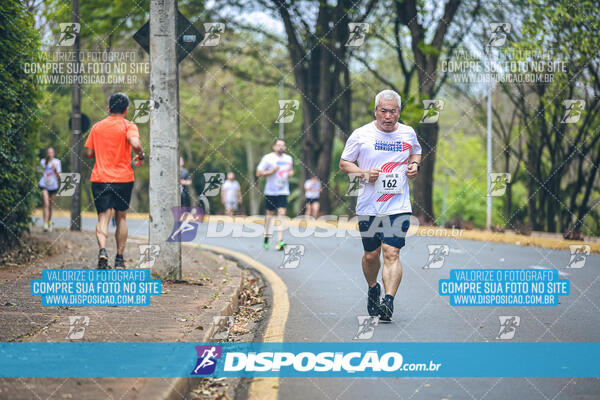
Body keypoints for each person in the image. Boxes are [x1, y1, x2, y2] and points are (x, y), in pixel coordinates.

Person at [339, 89, 422, 322]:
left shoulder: (408, 133)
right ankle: (373, 287)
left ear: (399, 112)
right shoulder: (361, 134)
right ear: (375, 111)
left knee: (391, 252)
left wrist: (415, 166)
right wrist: (364, 173)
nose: (388, 116)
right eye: (383, 111)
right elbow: (344, 164)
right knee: (371, 256)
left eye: (393, 111)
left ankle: (388, 301)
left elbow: (416, 152)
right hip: (368, 206)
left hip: (398, 205)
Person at [85, 92, 145, 269]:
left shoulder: (97, 127)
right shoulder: (129, 126)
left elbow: (88, 153)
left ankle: (102, 252)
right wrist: (140, 155)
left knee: (103, 217)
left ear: (108, 108)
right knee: (121, 218)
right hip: (123, 179)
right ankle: (119, 258)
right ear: (126, 110)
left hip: (100, 178)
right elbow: (135, 143)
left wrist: (102, 151)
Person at [256, 138, 293, 250]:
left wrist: (290, 173)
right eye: (278, 145)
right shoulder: (268, 158)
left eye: (283, 145)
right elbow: (258, 173)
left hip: (283, 190)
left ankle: (279, 240)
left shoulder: (288, 159)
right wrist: (271, 172)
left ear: (285, 148)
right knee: (269, 215)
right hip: (271, 191)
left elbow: (290, 171)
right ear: (274, 147)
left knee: (282, 213)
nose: (281, 147)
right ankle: (267, 235)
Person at [38, 147, 61, 232]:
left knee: (50, 205)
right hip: (44, 185)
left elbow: (59, 176)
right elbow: (40, 172)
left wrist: (55, 170)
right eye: (48, 152)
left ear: (53, 153)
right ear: (46, 153)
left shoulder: (57, 162)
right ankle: (45, 225)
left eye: (51, 152)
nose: (49, 154)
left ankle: (49, 222)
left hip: (53, 186)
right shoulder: (43, 162)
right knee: (46, 204)